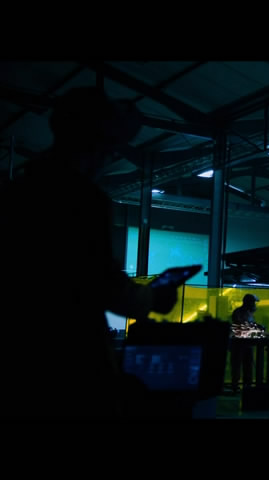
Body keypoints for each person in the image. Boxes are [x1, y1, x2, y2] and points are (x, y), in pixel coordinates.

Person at [0, 87, 178, 417]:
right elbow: (103, 284)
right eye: (110, 148)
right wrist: (154, 298)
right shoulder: (83, 199)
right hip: (71, 363)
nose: (108, 159)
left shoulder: (15, 192)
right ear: (96, 145)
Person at [229, 293, 262, 393]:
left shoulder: (248, 313)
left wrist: (256, 326)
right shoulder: (238, 312)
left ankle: (247, 386)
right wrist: (255, 327)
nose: (254, 304)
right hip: (238, 344)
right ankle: (235, 387)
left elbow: (249, 325)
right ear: (248, 302)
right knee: (237, 366)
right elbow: (240, 326)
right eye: (253, 302)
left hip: (247, 344)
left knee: (248, 366)